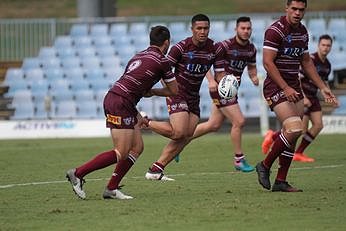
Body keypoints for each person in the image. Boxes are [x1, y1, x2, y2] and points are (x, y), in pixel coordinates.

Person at [66, 25, 178, 200]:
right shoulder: (162, 61)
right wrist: (153, 92)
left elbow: (129, 85)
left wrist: (137, 114)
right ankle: (78, 173)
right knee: (121, 152)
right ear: (167, 43)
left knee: (137, 147)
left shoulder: (138, 56)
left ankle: (111, 188)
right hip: (120, 102)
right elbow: (173, 90)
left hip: (118, 98)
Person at [256, 0, 338, 192]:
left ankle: (281, 181)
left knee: (294, 133)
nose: (297, 12)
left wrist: (322, 87)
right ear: (287, 9)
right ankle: (265, 165)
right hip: (276, 87)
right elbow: (267, 63)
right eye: (294, 9)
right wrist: (285, 87)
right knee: (294, 129)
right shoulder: (275, 30)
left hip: (294, 87)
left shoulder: (302, 32)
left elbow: (306, 62)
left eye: (301, 10)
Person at [143, 14, 220, 181]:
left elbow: (220, 73)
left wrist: (225, 83)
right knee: (178, 133)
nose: (202, 31)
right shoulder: (181, 47)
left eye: (205, 28)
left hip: (194, 97)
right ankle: (144, 122)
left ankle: (156, 170)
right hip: (178, 93)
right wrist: (168, 88)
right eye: (199, 28)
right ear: (191, 29)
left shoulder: (214, 49)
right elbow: (164, 69)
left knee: (187, 136)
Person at [189, 16, 259, 173]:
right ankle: (239, 160)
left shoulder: (251, 49)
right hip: (221, 90)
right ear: (236, 29)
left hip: (231, 91)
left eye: (248, 28)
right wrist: (210, 80)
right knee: (239, 121)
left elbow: (251, 68)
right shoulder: (224, 46)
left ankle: (180, 142)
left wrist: (253, 77)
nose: (246, 31)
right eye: (243, 28)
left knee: (213, 125)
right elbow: (205, 61)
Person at [262, 34, 337, 162]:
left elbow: (323, 82)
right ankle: (274, 136)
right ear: (318, 45)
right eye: (323, 45)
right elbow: (298, 79)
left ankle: (298, 152)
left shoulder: (327, 65)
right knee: (299, 129)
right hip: (303, 97)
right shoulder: (311, 60)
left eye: (328, 46)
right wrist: (304, 96)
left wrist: (329, 94)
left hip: (313, 97)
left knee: (318, 125)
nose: (325, 48)